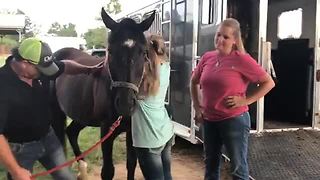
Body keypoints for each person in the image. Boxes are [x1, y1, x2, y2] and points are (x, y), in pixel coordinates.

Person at [0, 37, 101, 180]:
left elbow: (65, 65)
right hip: (21, 149)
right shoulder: (3, 84)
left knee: (67, 177)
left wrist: (88, 70)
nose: (46, 72)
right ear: (24, 63)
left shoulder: (42, 69)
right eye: (41, 69)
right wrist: (16, 171)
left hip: (49, 139)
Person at [190, 18, 275, 180]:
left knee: (237, 168)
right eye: (218, 35)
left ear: (235, 40)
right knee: (210, 166)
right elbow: (193, 81)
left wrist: (245, 101)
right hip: (209, 121)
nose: (220, 39)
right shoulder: (207, 57)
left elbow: (268, 82)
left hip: (234, 121)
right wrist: (197, 106)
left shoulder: (242, 59)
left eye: (226, 37)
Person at [131, 34, 174, 180]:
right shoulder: (166, 67)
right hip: (165, 130)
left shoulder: (142, 77)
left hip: (148, 138)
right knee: (167, 176)